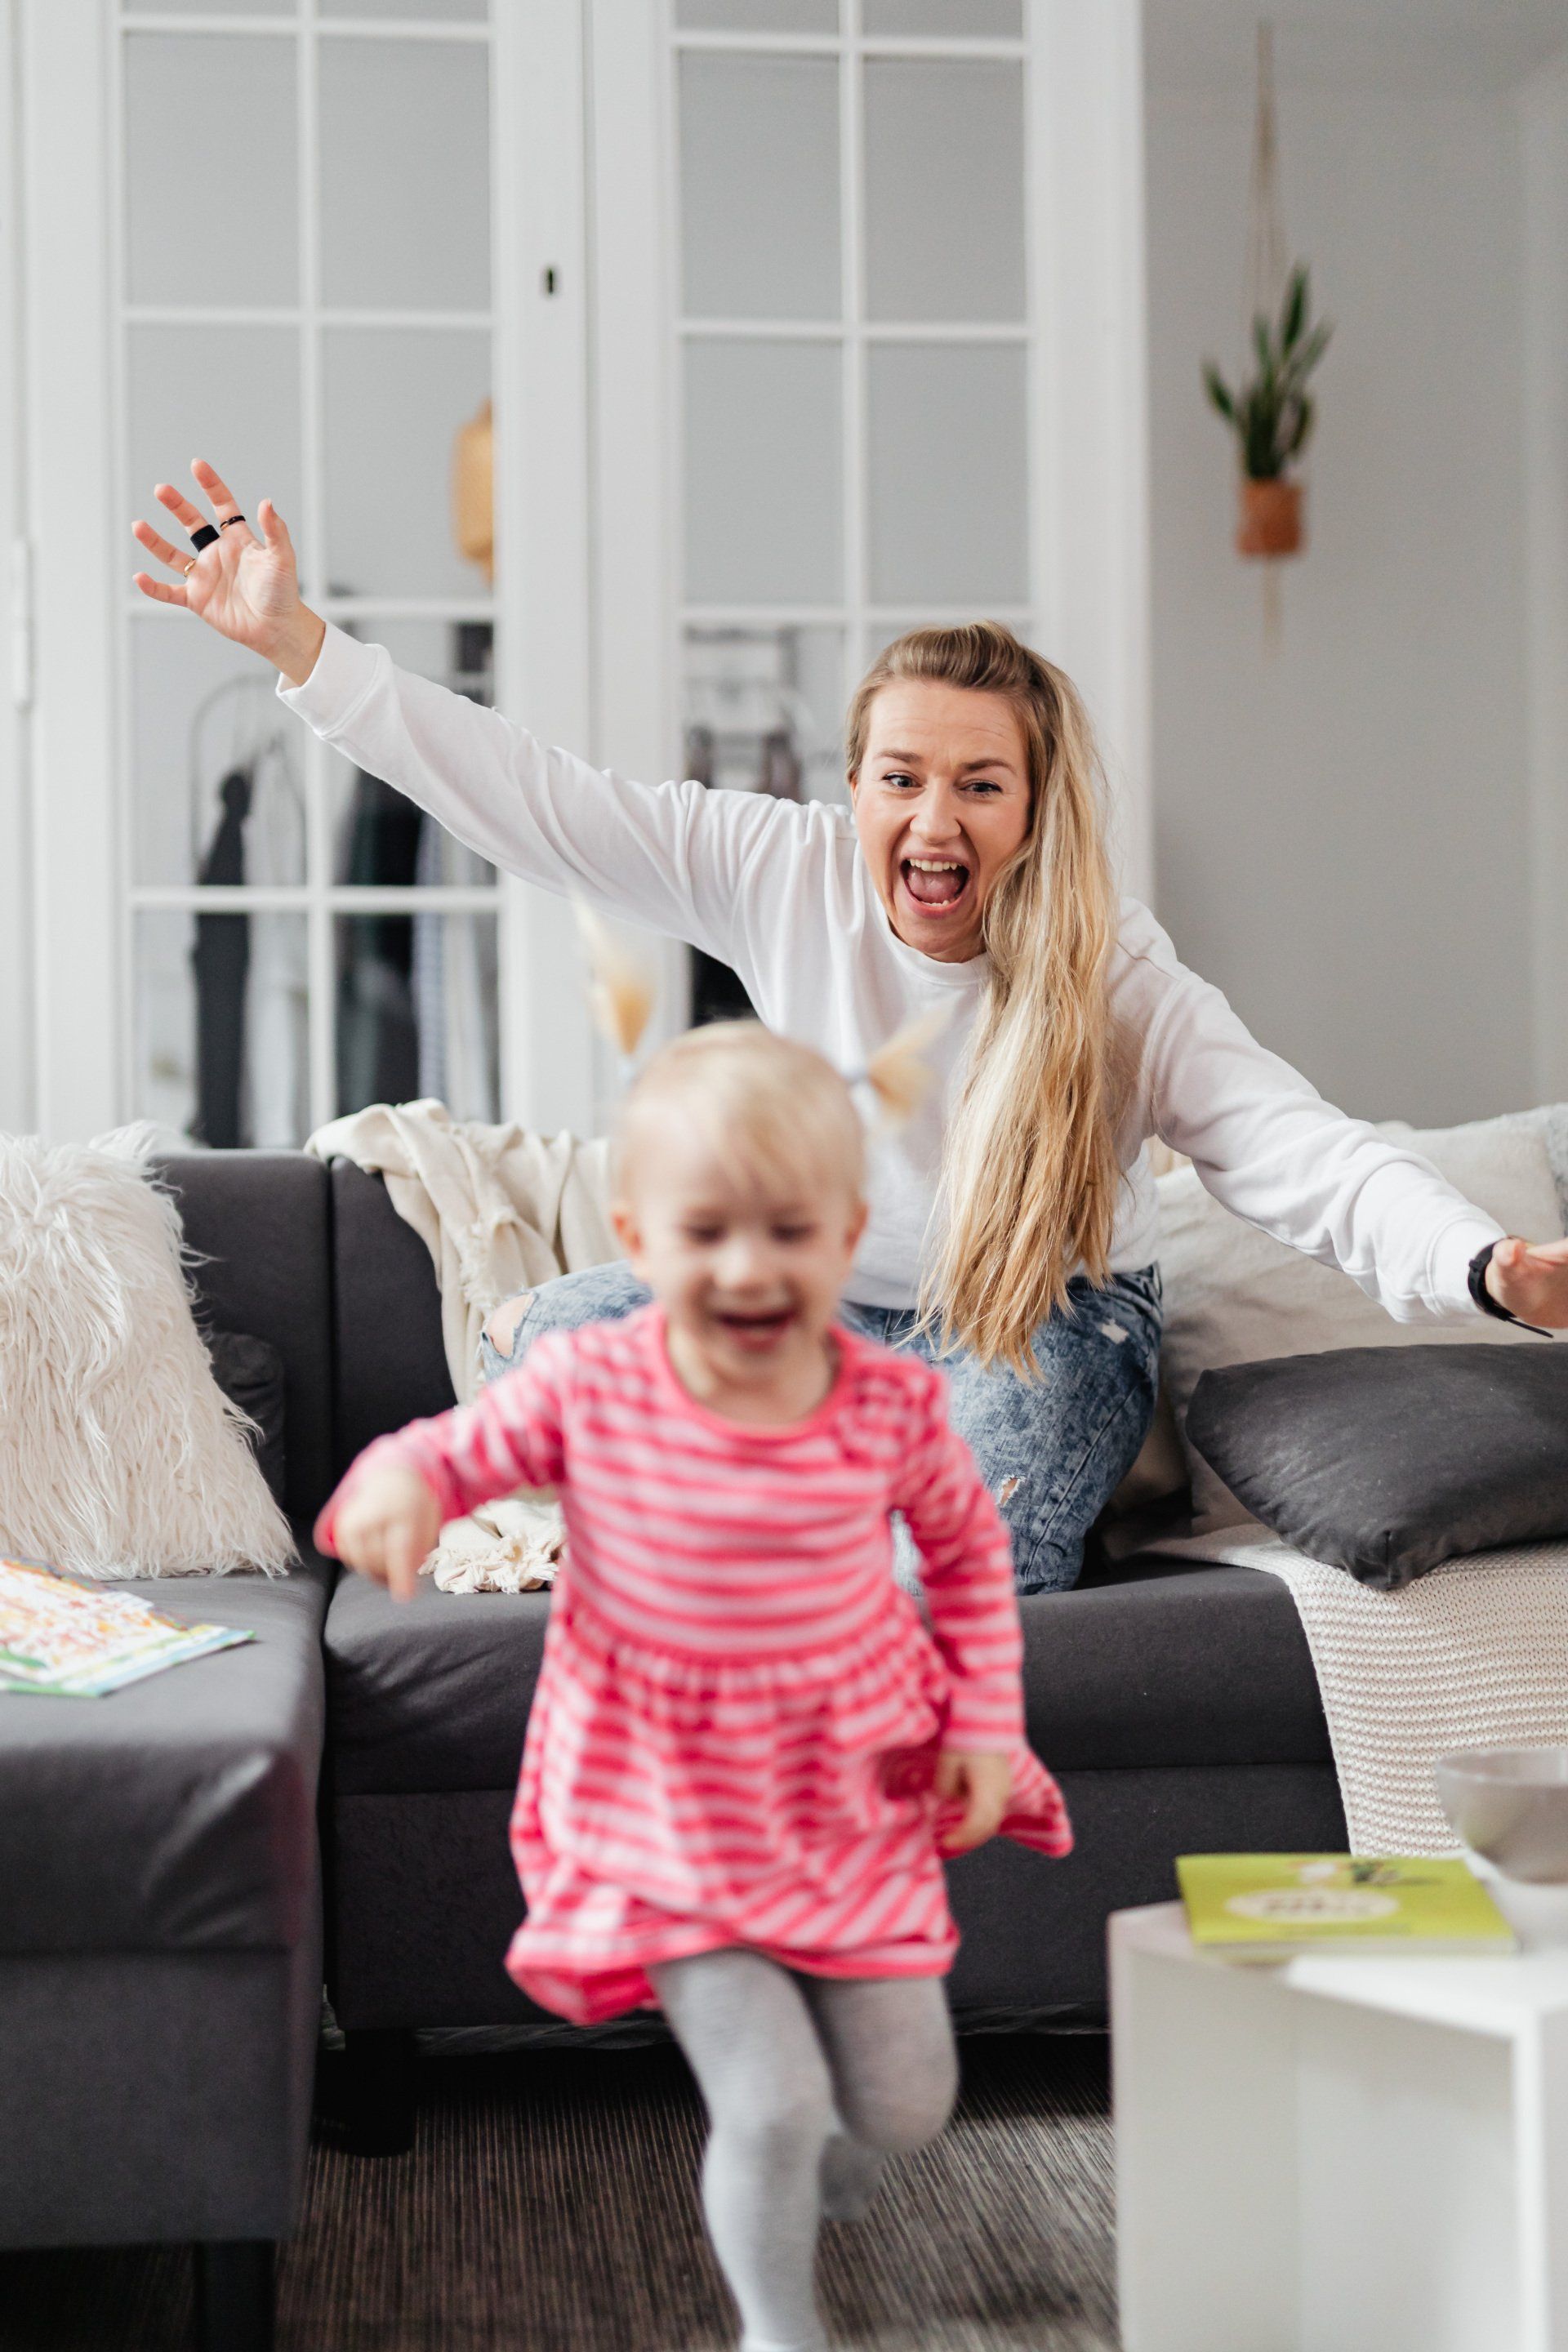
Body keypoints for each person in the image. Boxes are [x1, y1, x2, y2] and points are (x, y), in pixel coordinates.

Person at [132, 461, 1568, 1590]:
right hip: (813, 1323)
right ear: (857, 785)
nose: (933, 822)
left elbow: (1294, 1147)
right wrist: (308, 651)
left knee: (958, 1554)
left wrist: (1482, 1262)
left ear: (1033, 803)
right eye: (901, 778)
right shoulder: (784, 867)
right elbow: (541, 802)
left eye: (980, 787)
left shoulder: (1110, 964)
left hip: (1033, 1332)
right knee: (547, 1352)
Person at [314, 1021, 1073, 2352]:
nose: (747, 1268)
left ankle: (830, 2176)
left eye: (788, 1232)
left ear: (845, 1238)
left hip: (847, 1799)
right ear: (637, 1235)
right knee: (770, 2104)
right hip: (663, 1807)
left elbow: (964, 1556)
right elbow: (458, 1446)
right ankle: (781, 2330)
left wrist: (983, 1725)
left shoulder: (888, 1405)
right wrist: (400, 1481)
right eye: (705, 1230)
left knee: (904, 2103)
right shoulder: (598, 1381)